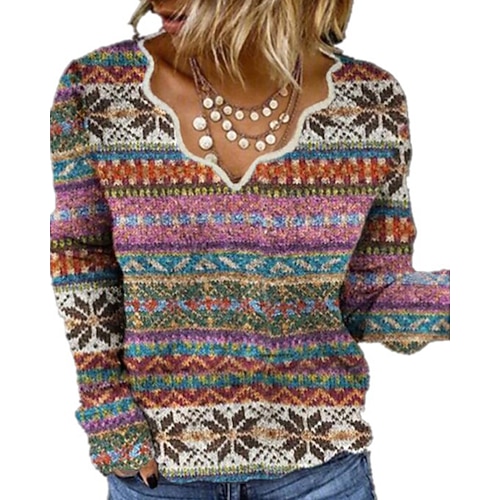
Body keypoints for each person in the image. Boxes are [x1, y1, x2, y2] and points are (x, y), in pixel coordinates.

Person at [49, 0, 450, 498]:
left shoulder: (371, 104)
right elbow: (82, 258)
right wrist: (108, 413)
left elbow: (367, 297)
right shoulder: (99, 90)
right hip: (160, 474)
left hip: (320, 473)